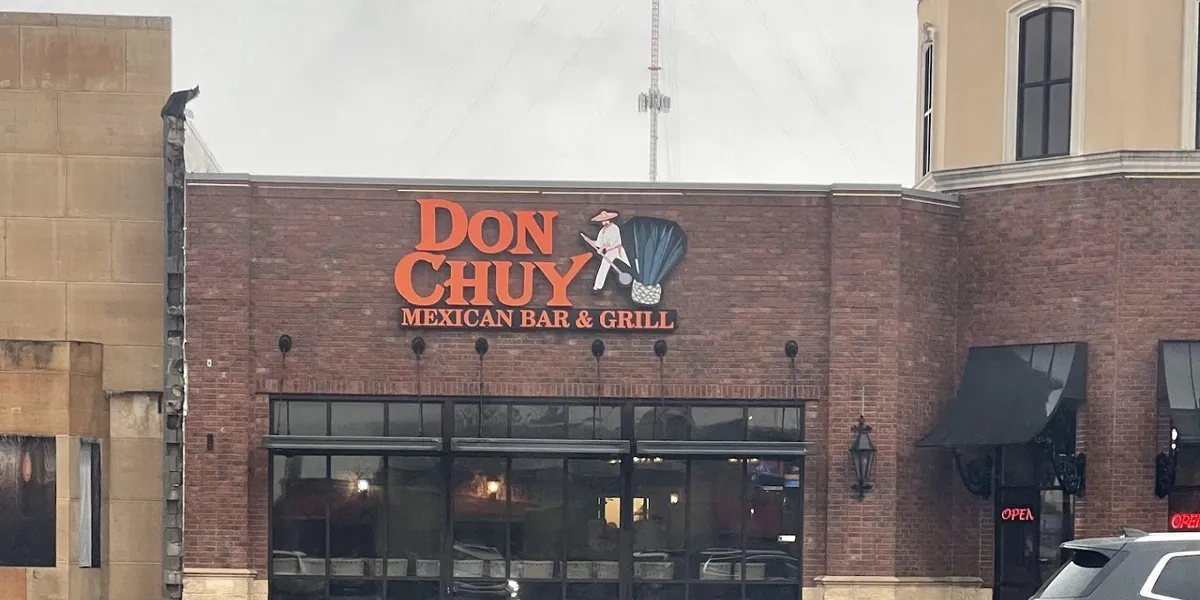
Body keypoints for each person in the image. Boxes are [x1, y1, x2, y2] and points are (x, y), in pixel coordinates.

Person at [582, 210, 630, 291]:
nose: (604, 222)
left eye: (605, 220)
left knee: (627, 263)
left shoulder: (614, 227)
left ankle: (635, 278)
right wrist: (589, 241)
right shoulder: (602, 231)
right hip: (609, 252)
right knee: (604, 266)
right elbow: (598, 243)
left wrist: (602, 248)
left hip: (616, 249)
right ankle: (598, 286)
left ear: (609, 219)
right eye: (602, 221)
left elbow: (610, 241)